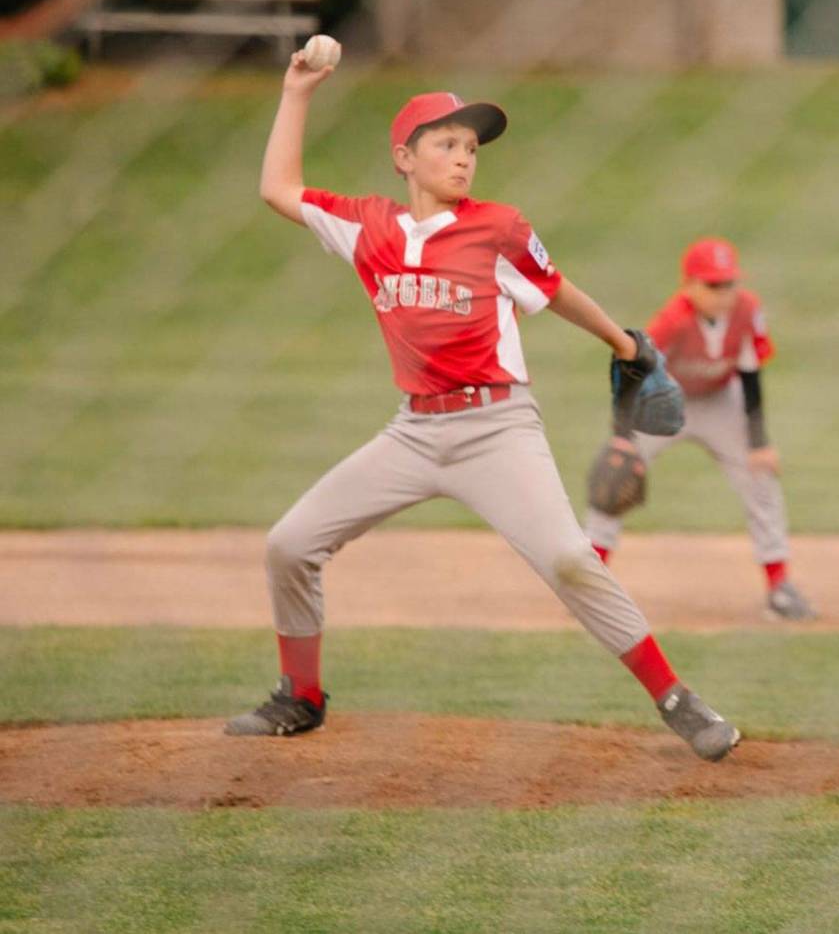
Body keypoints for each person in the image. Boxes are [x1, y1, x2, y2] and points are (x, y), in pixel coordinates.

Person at [224, 50, 741, 763]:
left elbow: (554, 287)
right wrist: (295, 90)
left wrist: (625, 345)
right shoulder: (368, 228)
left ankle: (675, 697)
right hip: (412, 432)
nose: (464, 157)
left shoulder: (496, 227)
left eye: (470, 146)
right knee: (289, 543)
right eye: (446, 143)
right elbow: (278, 188)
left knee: (567, 557)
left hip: (496, 429)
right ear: (403, 157)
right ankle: (301, 697)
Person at [584, 237, 817, 621]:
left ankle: (779, 586)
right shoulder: (673, 320)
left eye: (728, 283)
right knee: (614, 476)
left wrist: (760, 443)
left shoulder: (747, 310)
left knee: (761, 477)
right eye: (713, 285)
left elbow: (750, 372)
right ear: (690, 285)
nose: (723, 293)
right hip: (665, 403)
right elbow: (633, 373)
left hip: (721, 402)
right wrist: (622, 438)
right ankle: (591, 586)